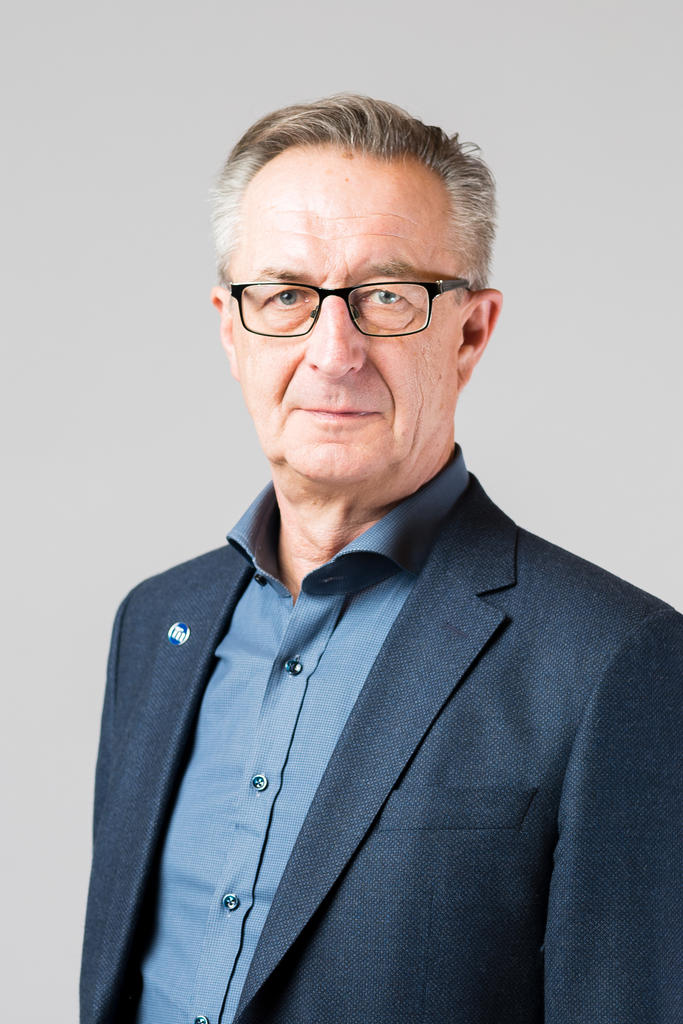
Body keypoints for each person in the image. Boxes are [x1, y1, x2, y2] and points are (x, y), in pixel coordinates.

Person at [80, 95, 682, 1024]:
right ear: (231, 328)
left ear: (470, 332)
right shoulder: (157, 623)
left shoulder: (612, 658)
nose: (334, 353)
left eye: (388, 297)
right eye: (285, 296)